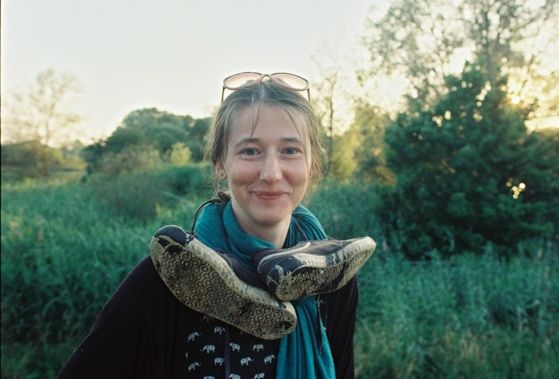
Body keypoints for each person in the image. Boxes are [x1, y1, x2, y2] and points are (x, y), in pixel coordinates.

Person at [58, 72, 375, 379]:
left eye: (290, 151)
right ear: (220, 163)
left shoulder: (332, 275)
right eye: (250, 151)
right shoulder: (171, 275)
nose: (272, 173)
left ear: (311, 163)